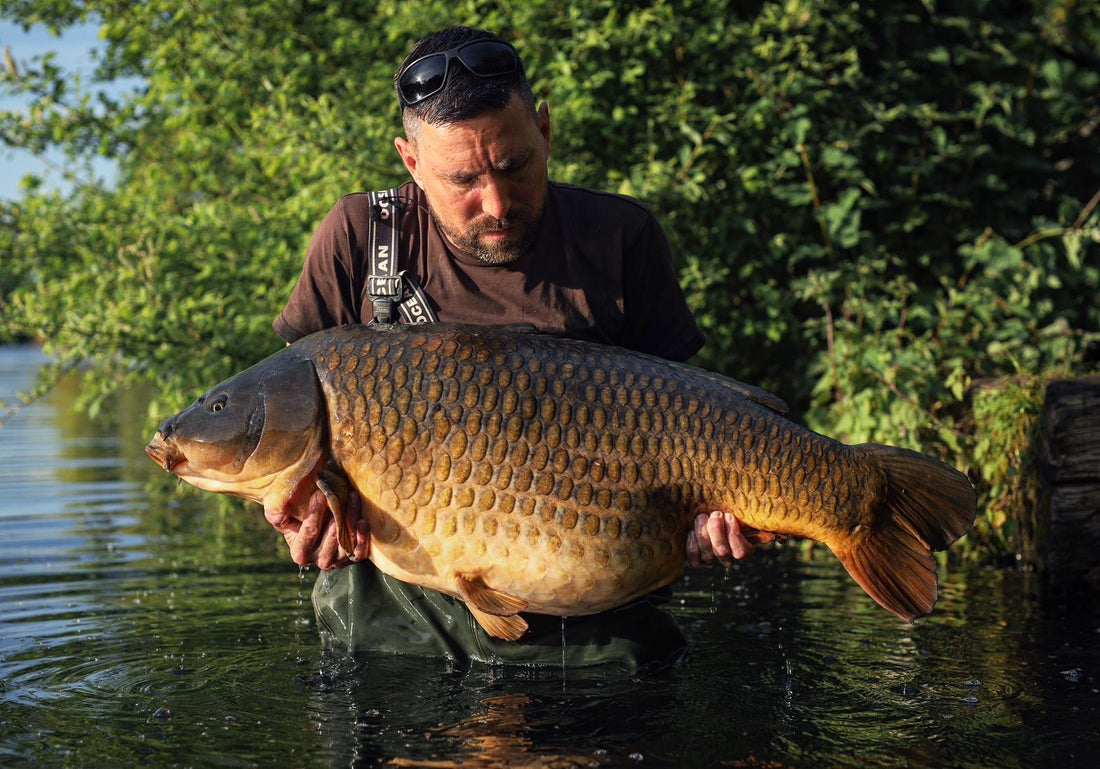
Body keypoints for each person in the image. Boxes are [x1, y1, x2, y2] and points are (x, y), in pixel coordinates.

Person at [268, 25, 755, 670]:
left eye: (514, 165)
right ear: (411, 164)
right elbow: (288, 432)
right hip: (394, 620)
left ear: (545, 131)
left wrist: (706, 521)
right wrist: (296, 512)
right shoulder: (360, 239)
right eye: (462, 178)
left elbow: (690, 431)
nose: (495, 201)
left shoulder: (619, 237)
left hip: (590, 626)